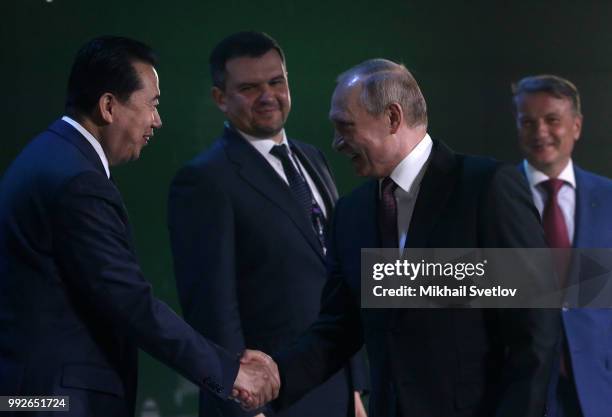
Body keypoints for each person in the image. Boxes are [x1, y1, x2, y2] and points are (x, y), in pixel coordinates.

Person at [255, 58, 561, 417]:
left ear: (392, 117)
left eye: (346, 127)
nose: (337, 142)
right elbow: (339, 327)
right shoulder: (351, 214)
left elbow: (536, 330)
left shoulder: (487, 189)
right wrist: (274, 376)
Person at [0, 36, 278, 417]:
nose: (157, 120)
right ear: (109, 106)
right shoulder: (77, 179)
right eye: (153, 104)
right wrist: (230, 374)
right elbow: (130, 301)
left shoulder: (53, 157)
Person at [168, 31, 368, 417]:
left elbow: (341, 285)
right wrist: (242, 406)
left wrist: (355, 387)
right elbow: (211, 310)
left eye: (276, 82)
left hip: (336, 395)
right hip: (264, 405)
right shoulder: (205, 180)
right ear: (220, 98)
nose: (267, 96)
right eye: (249, 87)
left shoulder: (313, 159)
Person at [513, 74, 612, 417]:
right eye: (528, 122)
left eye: (552, 120)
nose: (540, 132)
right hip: (521, 391)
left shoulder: (609, 198)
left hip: (599, 390)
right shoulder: (493, 198)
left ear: (577, 126)